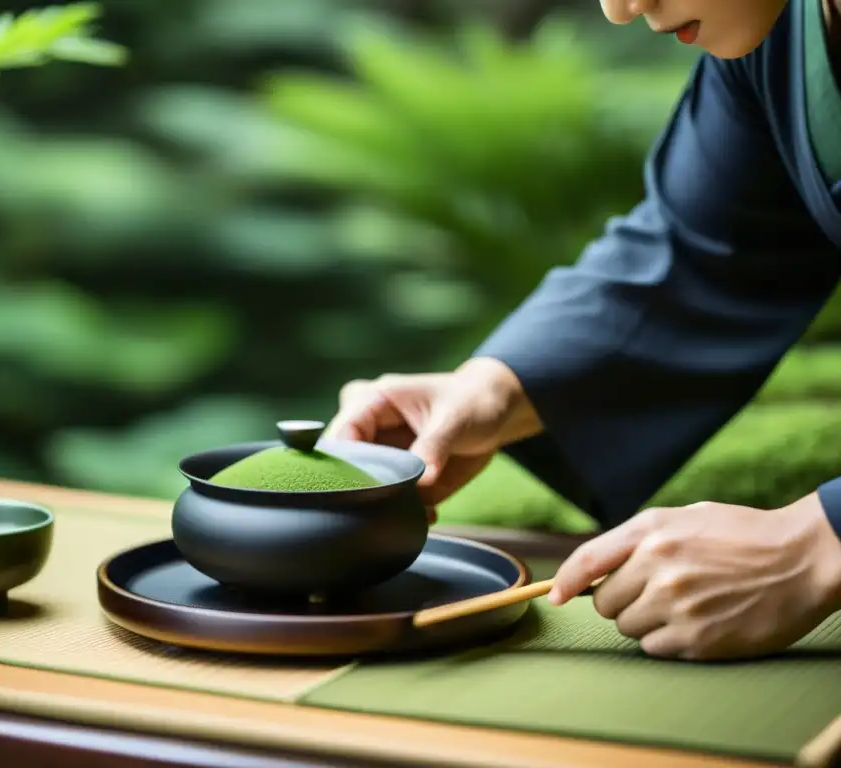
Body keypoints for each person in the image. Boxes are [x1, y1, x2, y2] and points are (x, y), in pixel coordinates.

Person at [326, 0, 841, 662]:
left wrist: (816, 544)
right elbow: (707, 248)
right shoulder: (779, 31)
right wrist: (503, 388)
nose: (622, 8)